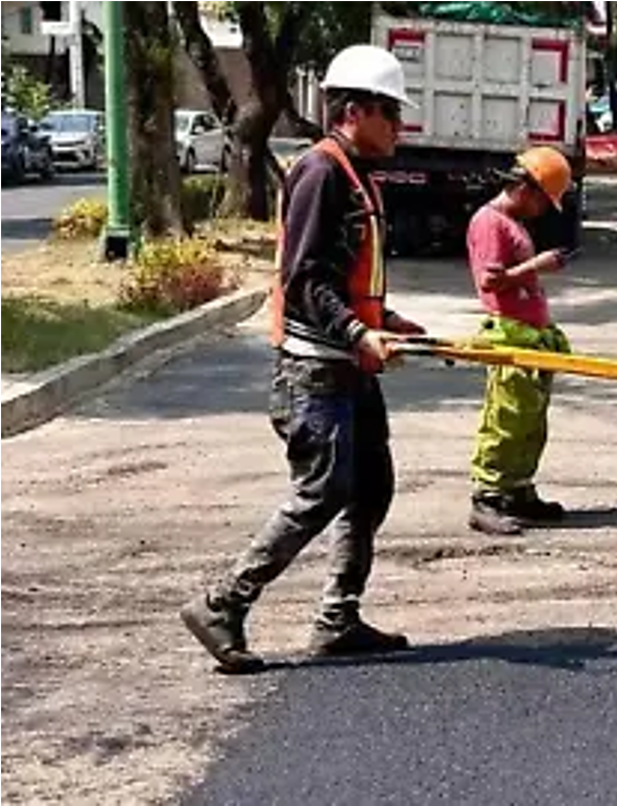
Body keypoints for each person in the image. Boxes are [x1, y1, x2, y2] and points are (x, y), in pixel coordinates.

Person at [180, 44, 425, 673]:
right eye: (391, 113)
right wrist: (356, 333)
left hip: (348, 362)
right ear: (355, 111)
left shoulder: (356, 171)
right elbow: (306, 277)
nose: (400, 126)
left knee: (371, 486)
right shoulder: (320, 172)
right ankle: (222, 603)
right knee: (323, 490)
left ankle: (337, 619)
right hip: (315, 369)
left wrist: (386, 323)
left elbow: (344, 275)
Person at [464, 146, 574, 536]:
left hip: (530, 334)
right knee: (506, 419)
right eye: (545, 201)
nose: (544, 210)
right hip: (510, 332)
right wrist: (538, 265)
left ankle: (518, 491)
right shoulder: (489, 221)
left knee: (531, 421)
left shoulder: (511, 222)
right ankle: (488, 496)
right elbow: (491, 281)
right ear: (527, 188)